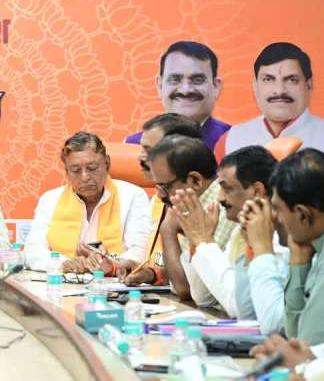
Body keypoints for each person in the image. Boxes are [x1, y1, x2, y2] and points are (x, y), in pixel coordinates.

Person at [168, 146, 287, 334]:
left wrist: (204, 242)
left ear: (257, 191)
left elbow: (238, 306)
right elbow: (203, 298)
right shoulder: (240, 231)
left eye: (227, 188)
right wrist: (196, 242)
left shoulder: (280, 235)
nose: (220, 198)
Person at [215, 42, 324, 181]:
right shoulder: (230, 141)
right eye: (268, 79)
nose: (279, 90)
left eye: (292, 80)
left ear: (309, 85)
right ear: (255, 86)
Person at [24, 132, 151, 274]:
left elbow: (140, 252)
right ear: (67, 172)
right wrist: (64, 263)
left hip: (114, 282)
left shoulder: (132, 196)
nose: (84, 177)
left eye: (92, 168)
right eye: (76, 170)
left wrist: (110, 264)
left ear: (107, 163)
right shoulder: (50, 200)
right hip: (63, 282)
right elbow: (32, 251)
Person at [268, 149, 324, 345]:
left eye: (277, 209)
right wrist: (299, 262)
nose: (275, 218)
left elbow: (312, 343)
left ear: (303, 214)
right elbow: (296, 336)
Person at [144, 135, 236, 300]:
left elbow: (186, 288)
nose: (159, 195)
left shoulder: (221, 207)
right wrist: (152, 274)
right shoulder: (194, 203)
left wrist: (167, 230)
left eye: (164, 186)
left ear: (195, 180)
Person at [121, 113, 202, 285]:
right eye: (142, 148)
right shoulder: (159, 198)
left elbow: (192, 281)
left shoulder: (200, 203)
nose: (140, 157)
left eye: (149, 150)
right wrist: (151, 274)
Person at [125, 41, 230, 150]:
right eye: (175, 79)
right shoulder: (133, 146)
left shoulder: (233, 143)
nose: (185, 90)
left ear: (216, 86)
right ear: (159, 85)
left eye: (197, 80)